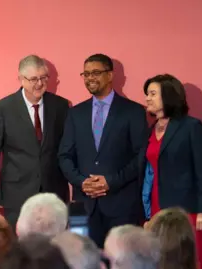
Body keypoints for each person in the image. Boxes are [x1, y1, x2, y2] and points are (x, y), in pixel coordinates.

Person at [58, 53, 148, 248]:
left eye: (96, 73)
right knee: (81, 259)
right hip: (82, 205)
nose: (90, 78)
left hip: (122, 205)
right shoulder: (75, 113)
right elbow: (64, 156)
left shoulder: (133, 111)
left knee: (123, 260)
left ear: (110, 75)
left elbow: (140, 156)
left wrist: (111, 182)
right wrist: (82, 182)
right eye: (86, 74)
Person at [0, 54, 70, 228]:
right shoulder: (4, 108)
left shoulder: (61, 106)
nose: (39, 84)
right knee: (21, 251)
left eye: (44, 78)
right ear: (21, 79)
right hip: (16, 196)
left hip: (54, 194)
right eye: (33, 79)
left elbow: (66, 149)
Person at [140, 74, 202, 269]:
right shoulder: (151, 129)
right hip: (155, 208)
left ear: (168, 95)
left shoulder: (191, 127)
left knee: (187, 261)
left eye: (153, 93)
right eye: (147, 94)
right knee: (160, 261)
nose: (147, 98)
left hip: (187, 210)